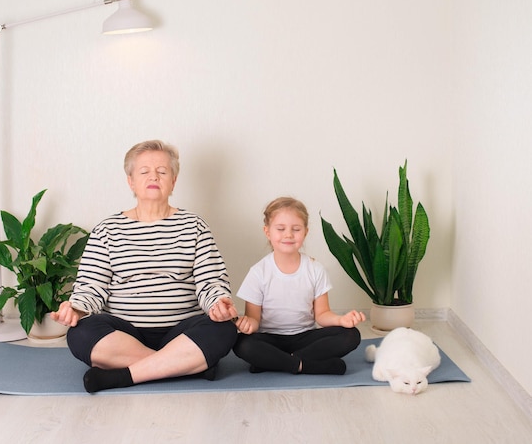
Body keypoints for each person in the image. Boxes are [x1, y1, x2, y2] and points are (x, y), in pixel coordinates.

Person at [52, 139, 239, 393]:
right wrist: (76, 308)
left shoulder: (194, 226)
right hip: (124, 334)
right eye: (144, 172)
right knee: (80, 333)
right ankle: (184, 365)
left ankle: (123, 375)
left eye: (162, 172)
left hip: (181, 331)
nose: (154, 176)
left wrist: (218, 304)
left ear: (173, 181)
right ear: (131, 181)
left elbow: (211, 282)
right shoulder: (108, 230)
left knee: (223, 329)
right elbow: (91, 286)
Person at [233, 197, 366, 375]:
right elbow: (254, 320)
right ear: (267, 232)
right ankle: (306, 365)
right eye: (280, 229)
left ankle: (273, 362)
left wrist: (341, 320)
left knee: (351, 335)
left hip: (306, 337)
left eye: (296, 229)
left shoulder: (315, 269)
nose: (288, 234)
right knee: (242, 344)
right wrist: (246, 324)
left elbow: (322, 315)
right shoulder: (258, 272)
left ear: (305, 232)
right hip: (270, 339)